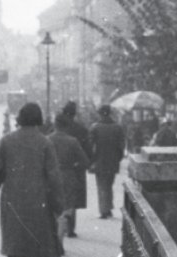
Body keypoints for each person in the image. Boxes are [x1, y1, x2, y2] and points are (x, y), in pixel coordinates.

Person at [0, 102, 64, 257]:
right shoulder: (45, 143)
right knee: (38, 246)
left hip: (13, 202)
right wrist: (58, 205)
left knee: (16, 244)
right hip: (39, 202)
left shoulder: (7, 140)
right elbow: (54, 177)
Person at [48, 114, 90, 252]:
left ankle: (54, 242)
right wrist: (73, 166)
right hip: (68, 178)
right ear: (66, 126)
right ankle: (59, 243)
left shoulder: (46, 140)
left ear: (55, 124)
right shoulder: (73, 141)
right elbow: (84, 161)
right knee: (65, 212)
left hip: (50, 178)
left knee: (52, 211)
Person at [59, 101, 92, 237]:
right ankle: (70, 228)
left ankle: (60, 227)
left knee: (58, 197)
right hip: (76, 169)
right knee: (72, 199)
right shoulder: (82, 129)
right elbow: (88, 152)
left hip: (57, 169)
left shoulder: (57, 131)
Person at [89, 104, 125, 219]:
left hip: (99, 160)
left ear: (100, 114)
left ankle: (104, 210)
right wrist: (117, 158)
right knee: (109, 185)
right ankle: (108, 208)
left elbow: (90, 146)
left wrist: (92, 160)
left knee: (102, 186)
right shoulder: (118, 127)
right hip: (113, 161)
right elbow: (121, 147)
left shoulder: (95, 127)